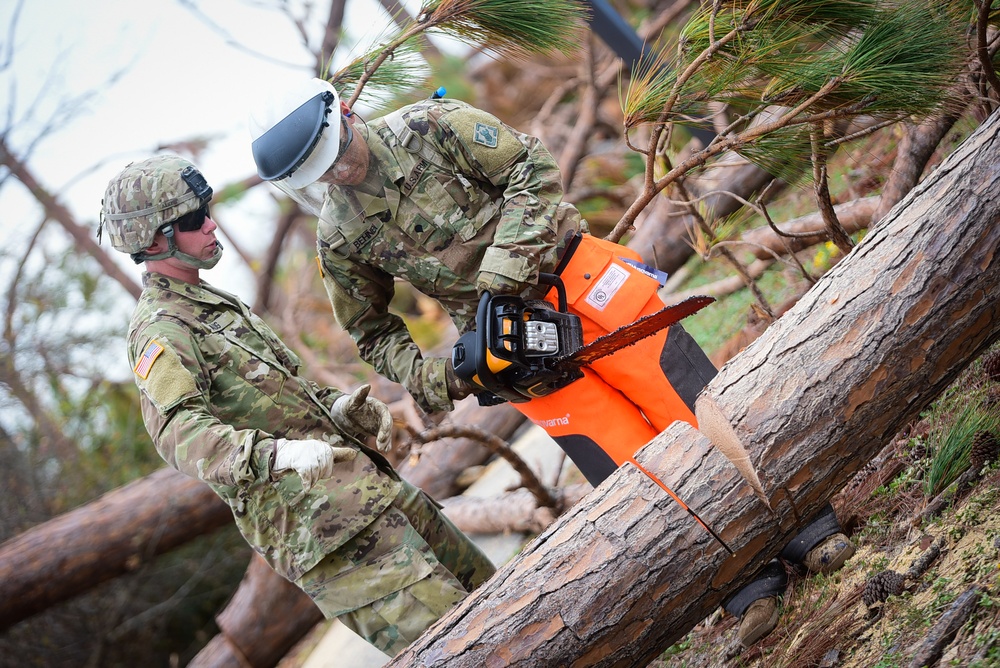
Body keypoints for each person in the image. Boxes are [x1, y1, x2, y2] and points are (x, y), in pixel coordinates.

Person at [248, 78, 854, 647]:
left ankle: (806, 521)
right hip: (513, 348)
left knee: (690, 404)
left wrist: (502, 273)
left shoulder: (433, 125)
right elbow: (370, 329)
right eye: (323, 173)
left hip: (576, 280)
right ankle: (743, 580)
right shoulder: (339, 233)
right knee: (632, 464)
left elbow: (531, 169)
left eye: (338, 154)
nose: (340, 172)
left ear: (344, 113)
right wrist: (435, 375)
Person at [97, 154, 495, 657]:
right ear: (154, 241)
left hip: (371, 492)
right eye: (194, 220)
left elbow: (284, 396)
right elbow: (176, 433)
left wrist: (339, 408)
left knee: (501, 600)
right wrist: (271, 455)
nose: (211, 223)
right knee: (470, 650)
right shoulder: (160, 329)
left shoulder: (214, 302)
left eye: (207, 209)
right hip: (328, 535)